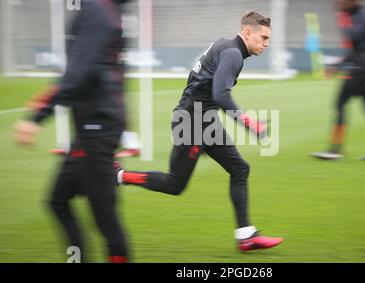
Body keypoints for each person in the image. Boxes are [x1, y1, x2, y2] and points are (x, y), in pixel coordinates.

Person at [116, 11, 283, 252]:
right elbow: (220, 94)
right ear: (248, 32)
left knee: (240, 169)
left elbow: (202, 86)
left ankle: (246, 236)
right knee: (175, 184)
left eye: (268, 39)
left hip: (203, 120)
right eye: (264, 38)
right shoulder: (233, 53)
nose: (266, 44)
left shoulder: (225, 45)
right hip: (193, 123)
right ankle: (120, 175)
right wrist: (249, 122)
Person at [14, 0, 130, 263]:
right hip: (93, 129)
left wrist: (37, 116)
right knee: (58, 200)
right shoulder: (109, 11)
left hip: (97, 131)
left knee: (106, 222)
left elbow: (79, 74)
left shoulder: (97, 10)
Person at [311, 0, 365, 161]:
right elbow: (356, 48)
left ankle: (335, 150)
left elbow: (354, 36)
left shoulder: (363, 16)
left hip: (359, 69)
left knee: (340, 103)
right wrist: (336, 65)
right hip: (362, 68)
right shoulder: (359, 14)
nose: (338, 4)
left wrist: (342, 17)